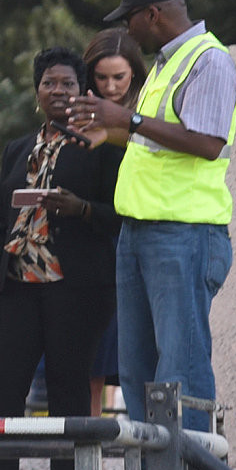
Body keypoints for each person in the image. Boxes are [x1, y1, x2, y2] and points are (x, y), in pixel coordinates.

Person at [68, 0, 236, 433]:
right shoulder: (167, 63)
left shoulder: (209, 61)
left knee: (181, 368)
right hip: (140, 235)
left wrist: (130, 118)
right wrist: (115, 132)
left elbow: (205, 142)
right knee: (139, 372)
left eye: (130, 20)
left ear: (153, 15)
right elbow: (158, 141)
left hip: (183, 236)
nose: (128, 31)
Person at [0, 47, 121, 470]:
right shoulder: (18, 148)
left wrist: (78, 207)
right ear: (37, 91)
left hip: (75, 286)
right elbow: (1, 220)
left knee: (69, 385)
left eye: (68, 85)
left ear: (83, 92)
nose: (58, 92)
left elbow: (119, 213)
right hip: (18, 284)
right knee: (2, 379)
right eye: (49, 84)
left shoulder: (101, 144)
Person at [79, 26, 148, 409]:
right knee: (92, 365)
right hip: (93, 245)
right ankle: (91, 468)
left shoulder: (149, 113)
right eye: (101, 77)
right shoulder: (81, 113)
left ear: (134, 75)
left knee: (140, 364)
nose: (110, 87)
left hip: (136, 235)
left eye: (119, 77)